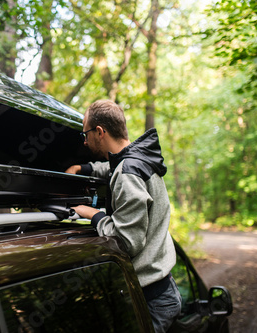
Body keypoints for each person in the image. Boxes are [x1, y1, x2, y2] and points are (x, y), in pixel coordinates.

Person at [66, 100, 181, 332]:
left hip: (151, 301)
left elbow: (127, 243)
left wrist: (93, 214)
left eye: (85, 134)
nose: (85, 141)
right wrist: (83, 168)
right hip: (161, 288)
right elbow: (112, 167)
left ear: (100, 131)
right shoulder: (137, 159)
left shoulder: (128, 173)